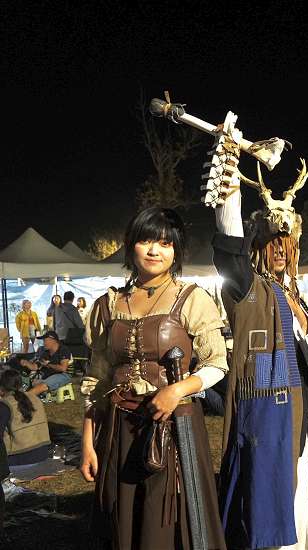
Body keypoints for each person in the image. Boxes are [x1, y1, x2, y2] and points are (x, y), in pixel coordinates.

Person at [211, 159, 308, 549]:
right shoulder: (249, 291)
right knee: (274, 517)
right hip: (271, 424)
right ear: (256, 245)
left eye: (286, 244)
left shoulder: (297, 299)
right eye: (271, 242)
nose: (279, 250)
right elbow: (230, 256)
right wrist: (229, 190)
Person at [79, 207, 228, 550]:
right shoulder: (108, 305)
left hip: (173, 427)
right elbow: (96, 380)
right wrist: (88, 443)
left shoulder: (191, 299)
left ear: (176, 250)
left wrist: (177, 390)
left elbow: (217, 364)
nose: (154, 250)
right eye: (146, 240)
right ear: (131, 245)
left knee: (167, 522)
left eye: (165, 243)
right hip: (120, 429)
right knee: (124, 520)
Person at [0, 370, 51, 466]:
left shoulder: (5, 405)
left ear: (2, 388)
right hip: (42, 453)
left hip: (19, 457)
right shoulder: (34, 398)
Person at [18, 330, 73, 398]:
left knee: (42, 385)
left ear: (53, 340)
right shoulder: (45, 352)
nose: (43, 343)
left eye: (45, 341)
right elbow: (35, 367)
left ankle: (23, 399)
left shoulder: (63, 350)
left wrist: (48, 364)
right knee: (30, 382)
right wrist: (27, 363)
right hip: (50, 374)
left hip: (64, 374)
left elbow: (63, 368)